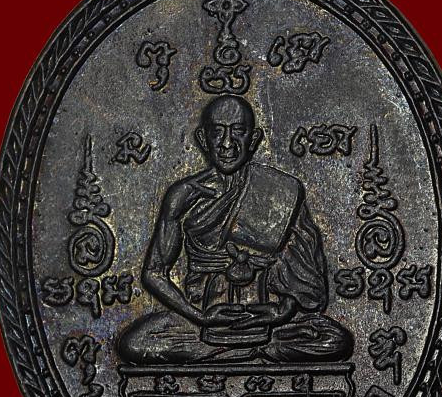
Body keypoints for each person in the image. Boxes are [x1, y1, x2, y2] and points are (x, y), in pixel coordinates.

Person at [117, 95, 353, 364]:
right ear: (203, 139)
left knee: (335, 340)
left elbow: (302, 272)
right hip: (203, 317)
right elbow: (154, 273)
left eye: (238, 132)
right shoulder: (182, 195)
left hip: (266, 318)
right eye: (218, 132)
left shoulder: (282, 191)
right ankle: (252, 353)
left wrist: (281, 311)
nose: (227, 144)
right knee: (134, 344)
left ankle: (232, 352)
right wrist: (199, 316)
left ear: (253, 140)